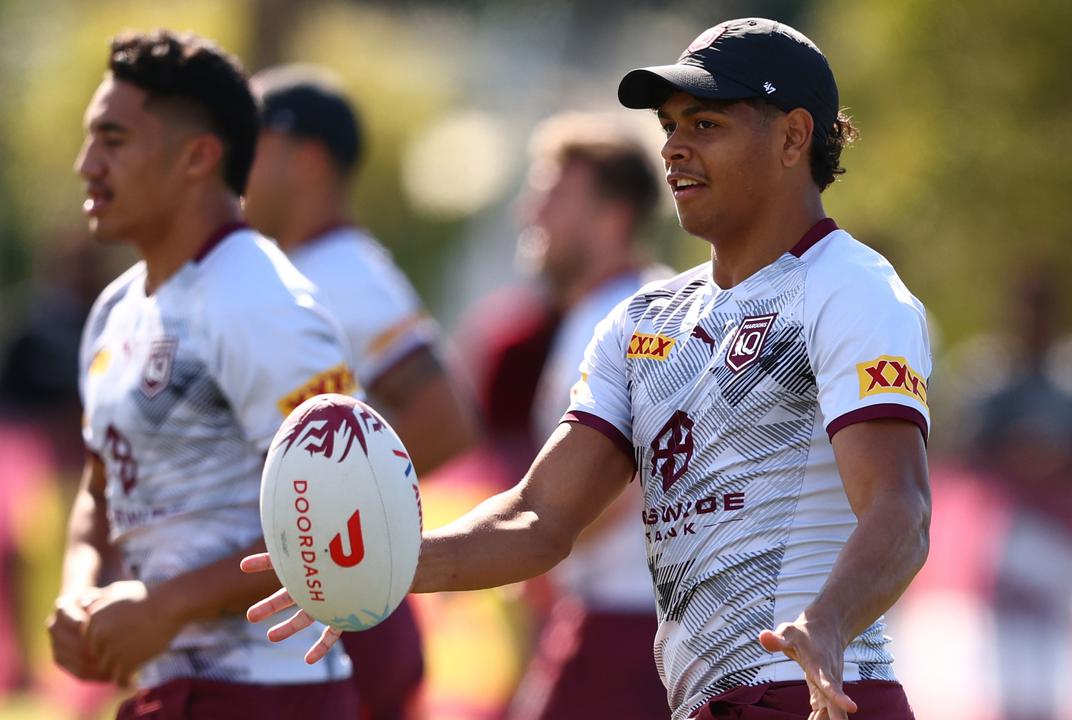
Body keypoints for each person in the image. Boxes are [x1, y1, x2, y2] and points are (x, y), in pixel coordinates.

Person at [246, 17, 930, 720]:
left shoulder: (850, 287)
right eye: (669, 126)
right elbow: (540, 517)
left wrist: (828, 622)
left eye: (706, 125)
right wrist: (376, 568)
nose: (674, 149)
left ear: (792, 136)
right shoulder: (642, 320)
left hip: (823, 699)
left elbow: (900, 507)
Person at [48, 30, 359, 718]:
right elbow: (102, 484)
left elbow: (351, 522)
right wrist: (80, 590)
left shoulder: (259, 300)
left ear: (198, 156)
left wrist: (166, 605)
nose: (86, 164)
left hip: (273, 695)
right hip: (171, 690)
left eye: (113, 140)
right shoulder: (115, 308)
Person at [243, 66, 476, 719]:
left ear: (307, 160)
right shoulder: (300, 268)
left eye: (250, 147)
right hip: (322, 618)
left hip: (345, 626)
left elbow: (445, 418)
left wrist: (328, 524)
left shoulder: (340, 275)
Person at [504, 112, 670, 720]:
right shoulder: (644, 304)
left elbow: (610, 485)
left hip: (623, 627)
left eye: (554, 194)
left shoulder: (622, 316)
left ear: (613, 216)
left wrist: (525, 556)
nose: (532, 214)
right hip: (643, 624)